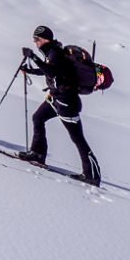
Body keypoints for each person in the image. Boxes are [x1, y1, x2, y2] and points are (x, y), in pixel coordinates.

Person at [18, 25, 101, 185]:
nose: (35, 43)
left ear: (43, 39)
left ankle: (92, 175)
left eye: (37, 40)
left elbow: (52, 72)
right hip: (56, 98)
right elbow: (51, 70)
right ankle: (37, 154)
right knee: (38, 118)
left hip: (66, 102)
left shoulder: (55, 53)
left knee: (77, 138)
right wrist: (31, 70)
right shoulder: (53, 52)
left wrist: (33, 57)